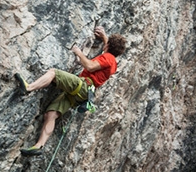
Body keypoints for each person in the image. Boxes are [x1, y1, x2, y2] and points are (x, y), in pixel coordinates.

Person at [15, 26, 126, 155]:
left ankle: (28, 88)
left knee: (53, 73)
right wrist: (105, 37)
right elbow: (110, 47)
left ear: (108, 47)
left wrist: (78, 52)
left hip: (83, 85)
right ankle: (39, 146)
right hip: (83, 94)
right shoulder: (113, 62)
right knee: (51, 114)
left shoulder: (108, 58)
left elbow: (90, 66)